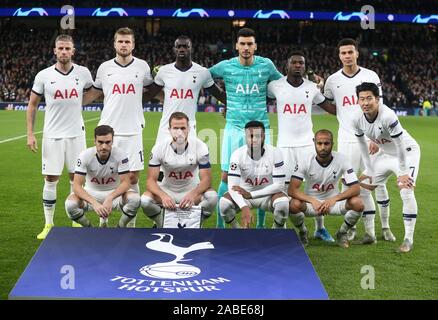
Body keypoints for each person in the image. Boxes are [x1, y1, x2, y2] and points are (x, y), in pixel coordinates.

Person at [209, 27, 283, 229]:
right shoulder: (226, 66)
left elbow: (283, 85)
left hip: (262, 130)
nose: (246, 47)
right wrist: (224, 100)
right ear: (236, 46)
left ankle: (259, 227)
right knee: (226, 175)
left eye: (250, 43)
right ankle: (220, 226)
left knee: (263, 177)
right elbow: (204, 78)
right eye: (242, 43)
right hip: (234, 128)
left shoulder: (266, 65)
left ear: (255, 46)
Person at [323, 38, 394, 242]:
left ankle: (385, 227)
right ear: (339, 56)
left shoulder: (370, 75)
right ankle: (353, 226)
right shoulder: (332, 80)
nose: (347, 56)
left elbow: (380, 105)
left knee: (375, 182)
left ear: (357, 54)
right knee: (350, 186)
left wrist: (377, 136)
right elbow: (329, 104)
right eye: (343, 53)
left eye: (350, 52)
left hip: (371, 139)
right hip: (346, 139)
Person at [83, 27, 153, 228]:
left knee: (132, 177)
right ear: (114, 44)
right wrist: (70, 103)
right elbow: (94, 93)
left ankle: (128, 225)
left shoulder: (142, 67)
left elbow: (152, 91)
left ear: (133, 44)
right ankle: (103, 220)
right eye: (120, 41)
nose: (124, 45)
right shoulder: (105, 68)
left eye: (127, 42)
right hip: (108, 130)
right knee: (107, 176)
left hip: (133, 130)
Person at [26, 34, 93, 239]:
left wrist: (79, 105)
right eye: (60, 48)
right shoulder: (44, 75)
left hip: (76, 135)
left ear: (73, 51)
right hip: (53, 135)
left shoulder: (83, 73)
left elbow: (93, 92)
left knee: (76, 179)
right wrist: (30, 133)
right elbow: (32, 104)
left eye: (67, 48)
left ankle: (76, 221)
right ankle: (48, 224)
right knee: (51, 178)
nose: (64, 52)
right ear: (54, 51)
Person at [268, 51, 337, 242]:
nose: (298, 66)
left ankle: (320, 229)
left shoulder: (312, 88)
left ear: (305, 67)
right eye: (294, 63)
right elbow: (257, 102)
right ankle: (287, 227)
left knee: (315, 186)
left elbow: (330, 109)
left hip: (308, 145)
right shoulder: (275, 86)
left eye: (301, 63)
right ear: (287, 65)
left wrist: (352, 109)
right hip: (285, 147)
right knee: (285, 189)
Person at [353, 82, 421, 253]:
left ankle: (408, 239)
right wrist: (368, 169)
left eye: (369, 98)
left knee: (406, 189)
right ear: (358, 101)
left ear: (377, 99)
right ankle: (370, 234)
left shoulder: (388, 115)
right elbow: (362, 145)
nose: (365, 102)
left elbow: (399, 145)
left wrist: (404, 172)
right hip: (384, 154)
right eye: (362, 99)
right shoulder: (356, 118)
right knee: (362, 188)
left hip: (407, 153)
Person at [143, 35, 226, 144]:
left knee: (188, 161)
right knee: (159, 161)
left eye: (185, 46)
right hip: (166, 129)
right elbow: (149, 94)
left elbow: (219, 94)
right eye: (179, 46)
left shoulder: (202, 72)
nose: (182, 49)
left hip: (189, 129)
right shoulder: (164, 71)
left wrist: (231, 104)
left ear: (191, 48)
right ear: (174, 49)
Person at [288, 129, 364, 248]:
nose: (323, 147)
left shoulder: (342, 159)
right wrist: (312, 200)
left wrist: (334, 199)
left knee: (358, 203)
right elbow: (292, 190)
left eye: (326, 143)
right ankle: (303, 232)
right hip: (312, 205)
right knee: (293, 204)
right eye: (319, 143)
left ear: (332, 144)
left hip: (333, 204)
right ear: (314, 143)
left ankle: (342, 233)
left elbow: (355, 188)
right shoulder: (305, 160)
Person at [141, 112, 217, 227]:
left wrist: (192, 194)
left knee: (212, 197)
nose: (179, 132)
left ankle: (196, 223)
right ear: (169, 129)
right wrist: (163, 196)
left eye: (183, 128)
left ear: (189, 129)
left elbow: (207, 179)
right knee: (145, 201)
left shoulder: (201, 146)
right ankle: (161, 224)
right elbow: (150, 181)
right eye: (175, 128)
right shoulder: (159, 148)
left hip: (191, 190)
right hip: (167, 190)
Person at [65, 125, 140, 227]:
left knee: (135, 200)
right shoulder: (84, 155)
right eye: (100, 142)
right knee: (70, 205)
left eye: (108, 142)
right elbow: (77, 186)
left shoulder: (120, 154)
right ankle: (89, 228)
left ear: (112, 141)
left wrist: (110, 198)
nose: (104, 146)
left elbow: (126, 183)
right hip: (91, 193)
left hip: (114, 194)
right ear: (94, 141)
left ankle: (120, 227)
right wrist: (94, 203)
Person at [219, 121, 289, 229]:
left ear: (264, 136)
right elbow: (232, 187)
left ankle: (276, 231)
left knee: (283, 203)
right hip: (244, 196)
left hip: (267, 196)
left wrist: (252, 195)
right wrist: (244, 207)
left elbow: (279, 186)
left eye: (258, 136)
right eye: (251, 136)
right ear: (245, 136)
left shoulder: (276, 153)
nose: (254, 139)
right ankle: (237, 230)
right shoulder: (237, 155)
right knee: (224, 204)